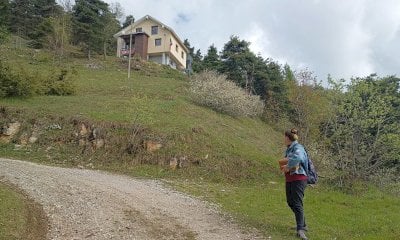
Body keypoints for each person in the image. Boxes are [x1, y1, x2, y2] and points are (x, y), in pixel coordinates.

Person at [280, 128, 309, 240]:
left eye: (285, 136)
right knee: (291, 202)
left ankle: (300, 230)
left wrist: (287, 166)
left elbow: (298, 157)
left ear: (288, 138)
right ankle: (303, 225)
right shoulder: (289, 148)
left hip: (299, 178)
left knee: (297, 203)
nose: (284, 138)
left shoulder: (298, 147)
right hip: (291, 179)